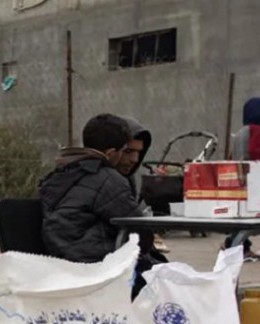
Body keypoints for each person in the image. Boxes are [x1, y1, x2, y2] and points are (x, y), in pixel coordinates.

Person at [39, 113, 158, 297]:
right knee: (169, 283)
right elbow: (140, 231)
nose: (134, 159)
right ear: (111, 154)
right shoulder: (108, 179)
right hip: (96, 269)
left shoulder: (59, 174)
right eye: (125, 151)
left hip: (63, 264)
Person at [226, 96, 260, 259]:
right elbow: (257, 155)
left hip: (238, 178)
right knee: (248, 218)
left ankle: (235, 245)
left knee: (240, 216)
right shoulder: (258, 130)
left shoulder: (243, 131)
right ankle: (237, 247)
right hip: (251, 180)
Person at [116, 117, 170, 255]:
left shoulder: (127, 177)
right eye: (128, 151)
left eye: (139, 153)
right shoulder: (108, 181)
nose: (134, 159)